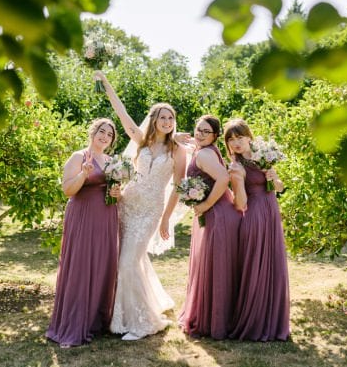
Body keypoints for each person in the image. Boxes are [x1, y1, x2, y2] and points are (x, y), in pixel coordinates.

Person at [95, 72, 182, 340]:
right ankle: (123, 314)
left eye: (171, 118)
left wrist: (166, 219)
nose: (167, 122)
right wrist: (106, 83)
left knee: (128, 262)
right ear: (154, 120)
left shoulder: (178, 150)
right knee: (128, 259)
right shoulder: (142, 140)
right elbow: (121, 114)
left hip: (150, 211)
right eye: (163, 117)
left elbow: (177, 187)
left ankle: (145, 323)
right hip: (127, 203)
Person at [44, 119, 123, 348]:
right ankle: (73, 325)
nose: (105, 136)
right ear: (92, 132)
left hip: (107, 217)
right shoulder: (78, 157)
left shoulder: (110, 161)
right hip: (83, 216)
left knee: (102, 265)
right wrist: (83, 174)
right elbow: (68, 190)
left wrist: (118, 192)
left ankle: (96, 322)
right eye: (101, 131)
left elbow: (115, 192)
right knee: (81, 266)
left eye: (109, 134)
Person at [173, 115, 244, 339]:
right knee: (219, 266)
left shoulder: (204, 153)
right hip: (220, 213)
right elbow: (181, 141)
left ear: (214, 136)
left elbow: (223, 178)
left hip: (217, 214)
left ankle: (216, 321)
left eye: (206, 131)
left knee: (217, 267)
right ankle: (223, 316)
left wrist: (204, 205)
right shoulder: (206, 149)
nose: (200, 134)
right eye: (198, 130)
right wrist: (175, 136)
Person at [223, 119, 291, 341]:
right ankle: (254, 321)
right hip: (254, 216)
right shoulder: (236, 166)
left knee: (273, 264)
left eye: (239, 138)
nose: (236, 143)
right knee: (256, 266)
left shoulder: (264, 156)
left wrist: (274, 178)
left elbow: (279, 187)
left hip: (271, 212)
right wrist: (239, 180)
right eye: (231, 140)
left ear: (249, 137)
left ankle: (272, 319)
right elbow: (239, 203)